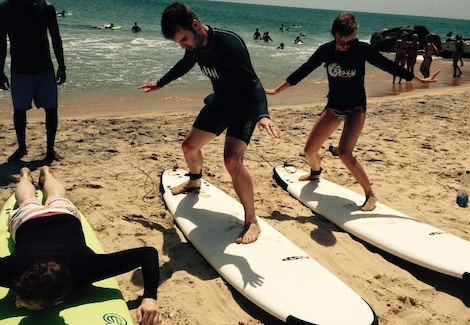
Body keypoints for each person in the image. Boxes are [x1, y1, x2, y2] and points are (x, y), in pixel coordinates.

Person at [265, 13, 438, 211]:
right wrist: (277, 90)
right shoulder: (326, 51)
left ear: (354, 35)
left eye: (347, 42)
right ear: (334, 35)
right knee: (309, 151)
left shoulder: (362, 50)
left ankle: (370, 194)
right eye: (339, 40)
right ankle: (316, 172)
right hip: (333, 108)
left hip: (356, 109)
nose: (342, 45)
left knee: (345, 154)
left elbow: (389, 66)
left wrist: (419, 80)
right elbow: (304, 70)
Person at [139, 2, 279, 244]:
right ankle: (194, 181)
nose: (184, 45)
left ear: (195, 25)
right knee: (189, 147)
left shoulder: (229, 43)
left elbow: (253, 81)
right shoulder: (195, 46)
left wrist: (262, 114)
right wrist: (161, 82)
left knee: (232, 161)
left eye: (184, 39)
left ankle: (252, 221)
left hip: (244, 108)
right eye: (179, 43)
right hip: (220, 103)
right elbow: (185, 63)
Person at [0, 167, 161, 324]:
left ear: (57, 301)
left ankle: (32, 175)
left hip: (51, 217)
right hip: (38, 219)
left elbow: (148, 253)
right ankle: (34, 174)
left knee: (34, 200)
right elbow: (148, 253)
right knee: (32, 200)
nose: (18, 303)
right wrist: (150, 297)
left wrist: (150, 299)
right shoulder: (15, 270)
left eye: (23, 300)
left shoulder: (85, 269)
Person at [0, 0, 66, 163]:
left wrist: (62, 66)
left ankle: (50, 150)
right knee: (20, 110)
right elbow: (1, 42)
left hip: (45, 69)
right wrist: (0, 71)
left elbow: (56, 38)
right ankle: (22, 147)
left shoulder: (47, 7)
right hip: (20, 69)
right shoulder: (6, 7)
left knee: (51, 109)